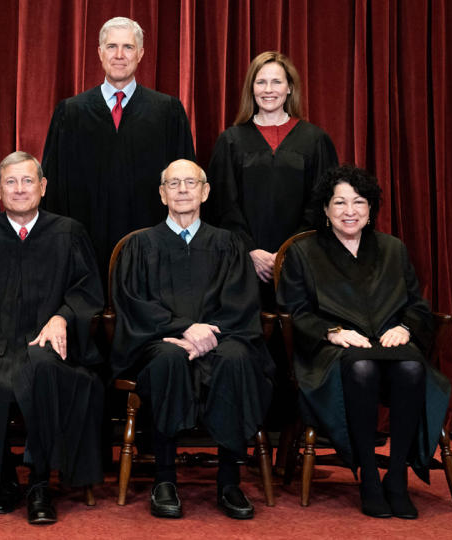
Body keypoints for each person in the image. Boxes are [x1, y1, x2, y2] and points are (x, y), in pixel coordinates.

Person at [0, 152, 104, 525]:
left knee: (45, 371)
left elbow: (87, 292)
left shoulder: (69, 233)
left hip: (46, 344)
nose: (19, 189)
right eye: (10, 182)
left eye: (28, 181)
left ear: (43, 187)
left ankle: (41, 483)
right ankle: (5, 478)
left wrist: (63, 318)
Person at [276, 165, 450, 519]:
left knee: (412, 367)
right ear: (325, 210)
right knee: (363, 367)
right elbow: (296, 313)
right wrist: (333, 332)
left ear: (371, 209)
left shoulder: (392, 249)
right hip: (331, 350)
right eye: (339, 203)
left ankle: (397, 477)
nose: (349, 211)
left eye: (359, 202)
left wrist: (406, 328)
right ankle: (369, 476)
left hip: (390, 342)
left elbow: (417, 305)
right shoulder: (304, 253)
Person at [111, 159, 273, 520]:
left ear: (205, 191)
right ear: (162, 193)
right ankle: (164, 479)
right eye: (174, 183)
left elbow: (241, 301)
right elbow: (133, 303)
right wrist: (184, 328)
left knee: (236, 359)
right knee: (168, 359)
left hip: (222, 337)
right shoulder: (140, 245)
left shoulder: (227, 244)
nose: (182, 190)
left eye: (190, 182)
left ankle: (229, 480)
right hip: (160, 340)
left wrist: (208, 334)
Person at [42, 16, 195, 278]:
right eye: (112, 47)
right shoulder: (71, 112)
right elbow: (52, 186)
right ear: (100, 53)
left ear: (141, 53)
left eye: (129, 47)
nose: (119, 55)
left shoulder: (167, 112)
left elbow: (185, 184)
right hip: (84, 244)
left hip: (152, 247)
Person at [207, 51, 338, 307]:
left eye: (277, 82)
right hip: (242, 264)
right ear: (251, 88)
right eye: (261, 82)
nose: (269, 90)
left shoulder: (315, 140)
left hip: (300, 261)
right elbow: (223, 206)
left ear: (289, 87)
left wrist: (289, 251)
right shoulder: (231, 141)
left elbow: (323, 205)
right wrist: (250, 252)